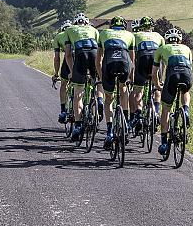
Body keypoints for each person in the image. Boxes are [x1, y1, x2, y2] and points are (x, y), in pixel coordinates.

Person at [152, 28, 193, 156]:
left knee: (166, 110)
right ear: (179, 40)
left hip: (172, 76)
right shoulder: (187, 49)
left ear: (167, 39)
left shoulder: (161, 49)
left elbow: (155, 72)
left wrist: (158, 85)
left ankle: (164, 142)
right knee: (185, 90)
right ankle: (185, 109)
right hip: (187, 75)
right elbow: (190, 67)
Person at [96, 15, 135, 149]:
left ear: (111, 26)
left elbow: (98, 60)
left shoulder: (104, 33)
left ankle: (109, 132)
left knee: (109, 99)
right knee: (123, 89)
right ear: (124, 26)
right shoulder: (130, 35)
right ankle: (125, 124)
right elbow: (132, 61)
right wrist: (130, 78)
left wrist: (101, 78)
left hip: (109, 63)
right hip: (124, 63)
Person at [63, 13, 100, 142]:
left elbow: (68, 55)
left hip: (80, 55)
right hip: (94, 54)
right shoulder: (94, 30)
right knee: (98, 81)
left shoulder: (69, 30)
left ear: (75, 23)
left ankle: (78, 127)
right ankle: (99, 100)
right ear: (86, 23)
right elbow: (101, 51)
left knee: (78, 93)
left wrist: (73, 72)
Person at [130, 16, 164, 133]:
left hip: (142, 61)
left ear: (140, 26)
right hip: (155, 61)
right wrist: (161, 77)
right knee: (157, 88)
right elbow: (163, 58)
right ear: (151, 27)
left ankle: (138, 114)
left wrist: (132, 74)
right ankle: (157, 112)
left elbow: (132, 57)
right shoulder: (159, 36)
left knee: (138, 91)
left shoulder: (136, 36)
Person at [51, 20, 73, 124]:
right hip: (81, 58)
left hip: (67, 60)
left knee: (64, 84)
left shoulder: (59, 36)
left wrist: (56, 74)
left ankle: (63, 111)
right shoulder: (75, 32)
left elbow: (56, 58)